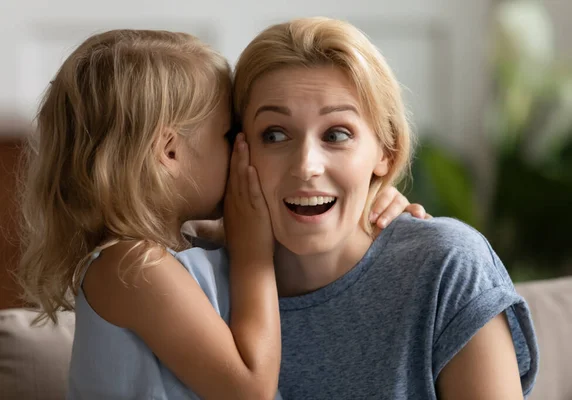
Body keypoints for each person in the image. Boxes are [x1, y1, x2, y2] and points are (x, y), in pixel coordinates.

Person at [17, 29, 427, 399]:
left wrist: (370, 198)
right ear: (170, 151)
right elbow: (250, 389)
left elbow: (278, 224)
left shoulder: (180, 246)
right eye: (230, 134)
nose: (241, 150)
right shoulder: (130, 267)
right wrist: (253, 256)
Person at [232, 17, 539, 399]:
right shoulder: (198, 283)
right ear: (238, 149)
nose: (306, 165)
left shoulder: (446, 266)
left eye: (337, 134)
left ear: (386, 151)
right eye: (274, 134)